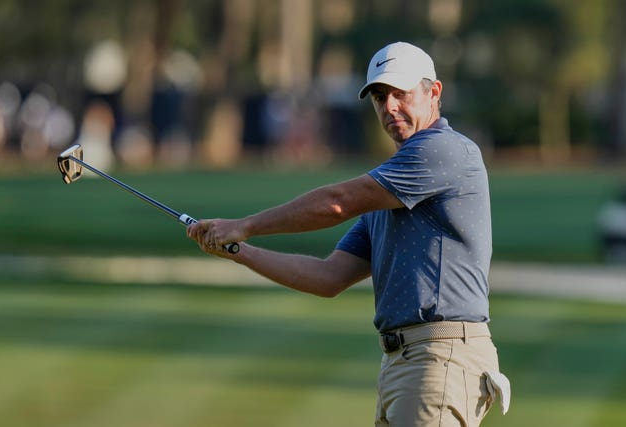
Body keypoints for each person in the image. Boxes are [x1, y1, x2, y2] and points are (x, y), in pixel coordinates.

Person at [187, 41, 510, 427]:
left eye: (400, 93)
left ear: (433, 92)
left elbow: (338, 202)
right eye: (378, 97)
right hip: (404, 364)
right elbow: (329, 277)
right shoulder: (393, 185)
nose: (388, 107)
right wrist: (239, 250)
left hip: (438, 359)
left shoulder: (444, 150)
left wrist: (246, 224)